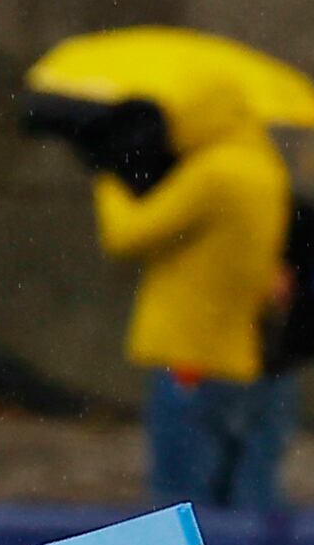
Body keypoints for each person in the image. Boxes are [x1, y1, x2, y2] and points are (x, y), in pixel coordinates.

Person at [88, 73, 296, 509]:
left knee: (179, 508)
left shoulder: (214, 173)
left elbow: (126, 235)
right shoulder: (266, 170)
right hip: (240, 355)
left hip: (192, 359)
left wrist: (107, 175)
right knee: (245, 504)